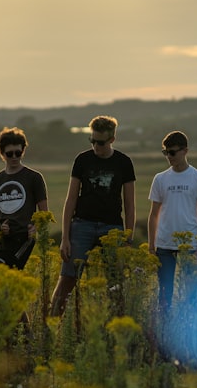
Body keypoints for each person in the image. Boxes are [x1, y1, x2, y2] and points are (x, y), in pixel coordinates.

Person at [50, 115, 136, 316]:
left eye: (100, 142)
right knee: (68, 278)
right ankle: (50, 328)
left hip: (112, 227)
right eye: (92, 141)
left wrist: (128, 238)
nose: (96, 146)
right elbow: (70, 199)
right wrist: (65, 238)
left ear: (112, 140)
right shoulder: (82, 160)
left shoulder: (124, 163)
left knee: (115, 283)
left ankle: (118, 330)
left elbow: (130, 204)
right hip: (82, 225)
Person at [147, 130, 197, 315]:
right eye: (165, 152)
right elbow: (153, 215)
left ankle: (190, 329)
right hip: (164, 244)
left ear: (185, 151)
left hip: (191, 243)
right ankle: (164, 332)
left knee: (192, 293)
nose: (169, 157)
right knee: (165, 294)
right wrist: (151, 246)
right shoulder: (160, 178)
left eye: (172, 152)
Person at [0, 127, 49, 270]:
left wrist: (35, 228)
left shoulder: (34, 178)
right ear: (2, 153)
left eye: (18, 153)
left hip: (23, 238)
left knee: (7, 273)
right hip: (1, 239)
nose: (14, 157)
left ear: (23, 151)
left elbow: (44, 213)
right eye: (9, 153)